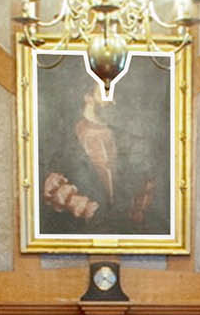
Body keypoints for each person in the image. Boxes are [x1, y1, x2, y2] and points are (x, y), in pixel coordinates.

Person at [39, 81, 156, 235]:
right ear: (88, 97)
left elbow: (143, 185)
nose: (112, 102)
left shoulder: (125, 139)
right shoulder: (65, 139)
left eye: (113, 97)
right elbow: (50, 186)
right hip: (78, 234)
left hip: (122, 232)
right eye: (105, 95)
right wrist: (84, 207)